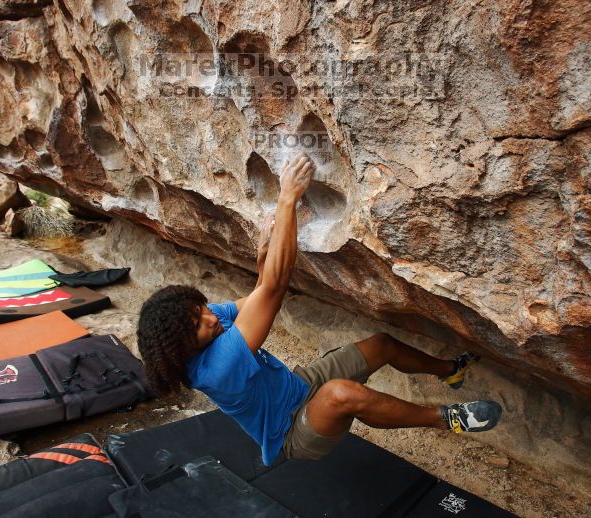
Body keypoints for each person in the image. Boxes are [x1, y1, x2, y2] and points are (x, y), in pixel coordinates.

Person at [137, 153, 502, 466]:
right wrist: (287, 198)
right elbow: (275, 290)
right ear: (185, 346)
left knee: (381, 345)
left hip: (298, 386)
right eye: (201, 323)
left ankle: (450, 371)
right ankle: (443, 418)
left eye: (203, 309)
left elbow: (257, 297)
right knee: (341, 394)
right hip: (293, 434)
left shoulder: (206, 324)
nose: (212, 317)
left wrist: (264, 253)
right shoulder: (217, 369)